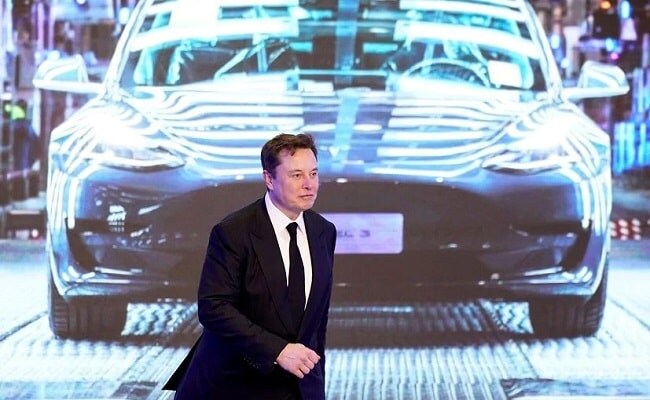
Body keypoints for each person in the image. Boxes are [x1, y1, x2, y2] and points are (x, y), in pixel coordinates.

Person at [164, 132, 337, 400]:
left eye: (313, 174)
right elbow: (214, 307)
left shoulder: (323, 231)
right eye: (296, 175)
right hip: (234, 385)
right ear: (269, 179)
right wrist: (277, 351)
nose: (309, 184)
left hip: (299, 388)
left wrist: (315, 387)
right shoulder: (234, 231)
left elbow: (317, 323)